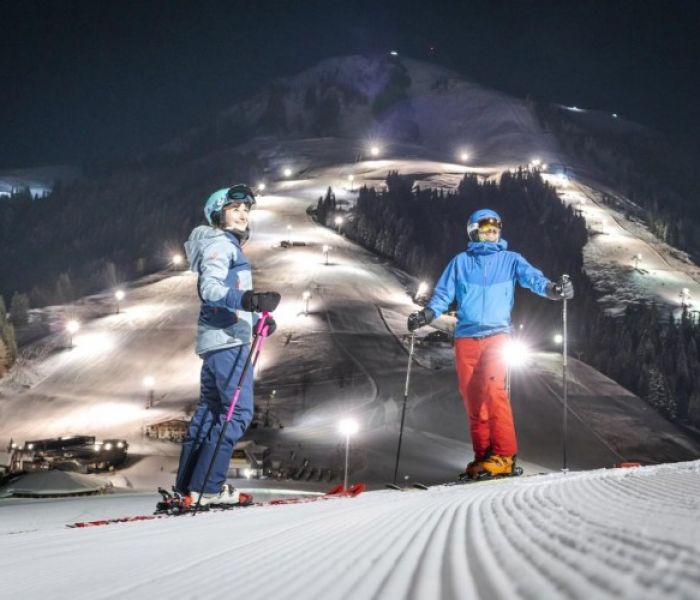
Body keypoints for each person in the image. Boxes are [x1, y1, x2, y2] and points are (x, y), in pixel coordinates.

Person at [407, 208, 573, 480]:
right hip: (466, 338)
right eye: (486, 229)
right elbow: (443, 294)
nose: (492, 233)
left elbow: (533, 278)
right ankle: (484, 456)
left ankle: (505, 456)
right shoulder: (460, 262)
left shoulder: (510, 260)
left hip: (497, 335)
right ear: (474, 231)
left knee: (494, 391)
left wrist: (553, 290)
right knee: (474, 401)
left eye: (496, 229)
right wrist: (426, 314)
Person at [175, 185, 281, 505]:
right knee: (237, 414)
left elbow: (224, 296)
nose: (243, 214)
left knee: (211, 413)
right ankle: (209, 487)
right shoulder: (221, 243)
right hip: (228, 343)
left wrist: (256, 319)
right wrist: (247, 300)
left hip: (218, 340)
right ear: (218, 214)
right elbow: (211, 288)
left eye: (246, 209)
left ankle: (190, 487)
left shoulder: (220, 244)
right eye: (235, 209)